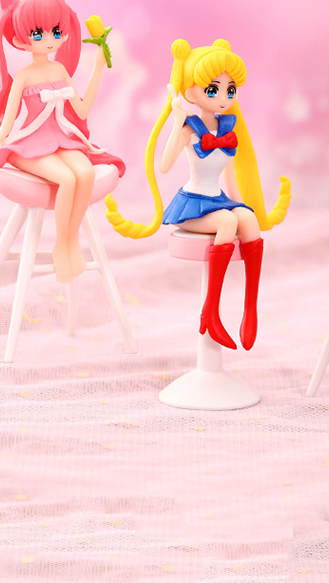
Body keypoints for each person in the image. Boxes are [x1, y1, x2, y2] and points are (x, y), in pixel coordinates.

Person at [106, 38, 290, 350]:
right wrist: (177, 121)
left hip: (218, 199)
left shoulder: (228, 129)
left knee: (247, 219)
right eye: (213, 90)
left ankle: (250, 309)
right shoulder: (189, 129)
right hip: (192, 203)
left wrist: (242, 207)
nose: (223, 97)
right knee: (227, 223)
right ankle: (211, 311)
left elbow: (230, 177)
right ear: (191, 91)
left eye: (230, 90)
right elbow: (164, 166)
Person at [0, 0, 122, 282]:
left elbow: (82, 109)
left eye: (56, 32)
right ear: (19, 40)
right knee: (67, 178)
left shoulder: (59, 71)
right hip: (31, 143)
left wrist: (98, 68)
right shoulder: (23, 77)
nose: (49, 40)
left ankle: (70, 241)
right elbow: (7, 126)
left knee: (84, 172)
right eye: (38, 34)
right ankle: (61, 244)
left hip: (62, 138)